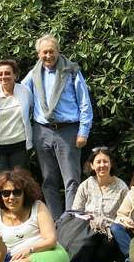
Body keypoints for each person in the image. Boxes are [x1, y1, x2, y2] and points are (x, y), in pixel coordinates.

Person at [22, 34, 93, 219]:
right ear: (39, 54)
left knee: (71, 180)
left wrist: (83, 131)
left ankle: (70, 220)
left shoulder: (71, 71)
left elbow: (85, 102)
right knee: (48, 180)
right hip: (42, 131)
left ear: (58, 51)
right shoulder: (34, 74)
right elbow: (19, 93)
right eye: (44, 52)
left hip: (68, 131)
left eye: (51, 51)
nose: (48, 56)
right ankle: (54, 221)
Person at [71, 146, 129, 254]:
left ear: (111, 164)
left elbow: (127, 215)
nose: (102, 165)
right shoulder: (85, 185)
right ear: (92, 165)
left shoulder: (122, 187)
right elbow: (76, 212)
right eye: (98, 162)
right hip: (88, 233)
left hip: (110, 235)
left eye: (105, 162)